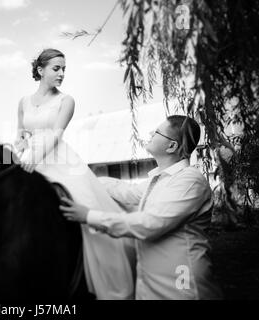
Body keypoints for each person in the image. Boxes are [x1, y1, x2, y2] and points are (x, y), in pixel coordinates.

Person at [14, 48, 135, 299]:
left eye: (64, 69)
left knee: (86, 205)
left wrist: (35, 157)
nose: (61, 74)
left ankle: (111, 285)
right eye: (56, 68)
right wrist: (22, 145)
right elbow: (20, 133)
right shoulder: (23, 102)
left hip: (60, 159)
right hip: (30, 159)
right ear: (40, 70)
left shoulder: (66, 100)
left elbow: (57, 135)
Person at [60, 115, 223, 299]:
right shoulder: (159, 180)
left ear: (172, 146)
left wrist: (89, 216)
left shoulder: (189, 181)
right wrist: (85, 180)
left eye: (158, 132)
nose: (151, 133)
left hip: (181, 283)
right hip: (150, 284)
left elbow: (150, 224)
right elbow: (127, 192)